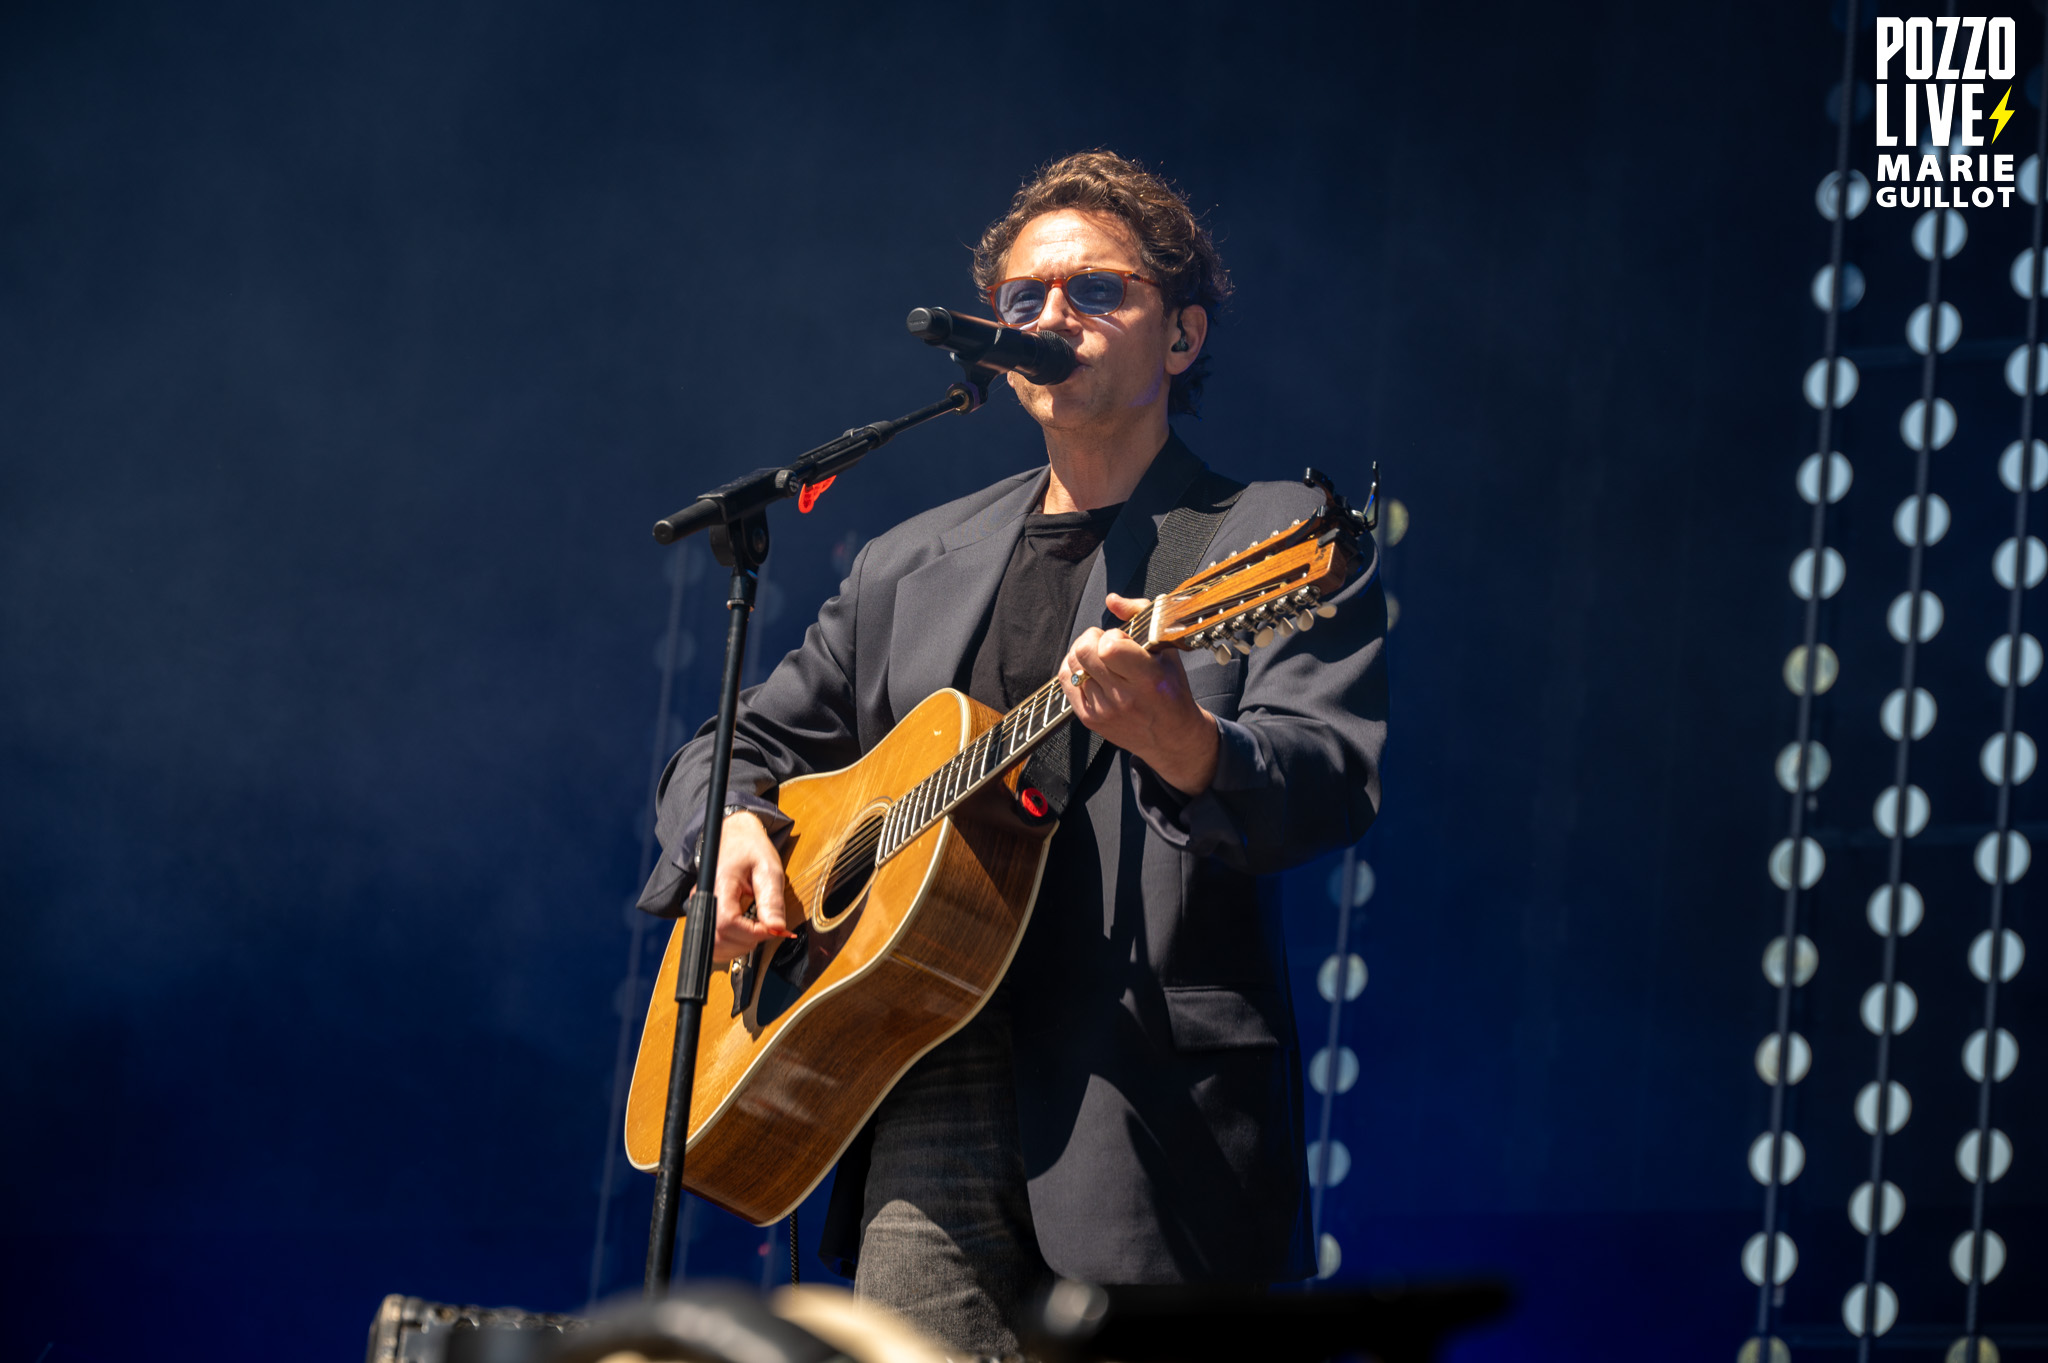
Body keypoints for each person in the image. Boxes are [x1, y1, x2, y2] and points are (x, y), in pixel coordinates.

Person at [637, 150, 1386, 1359]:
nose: (1051, 317)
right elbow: (732, 744)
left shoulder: (1263, 537)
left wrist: (1181, 739)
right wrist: (728, 826)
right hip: (913, 1072)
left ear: (1180, 337)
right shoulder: (905, 561)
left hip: (1146, 1101)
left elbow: (1326, 777)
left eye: (1097, 292)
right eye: (1025, 299)